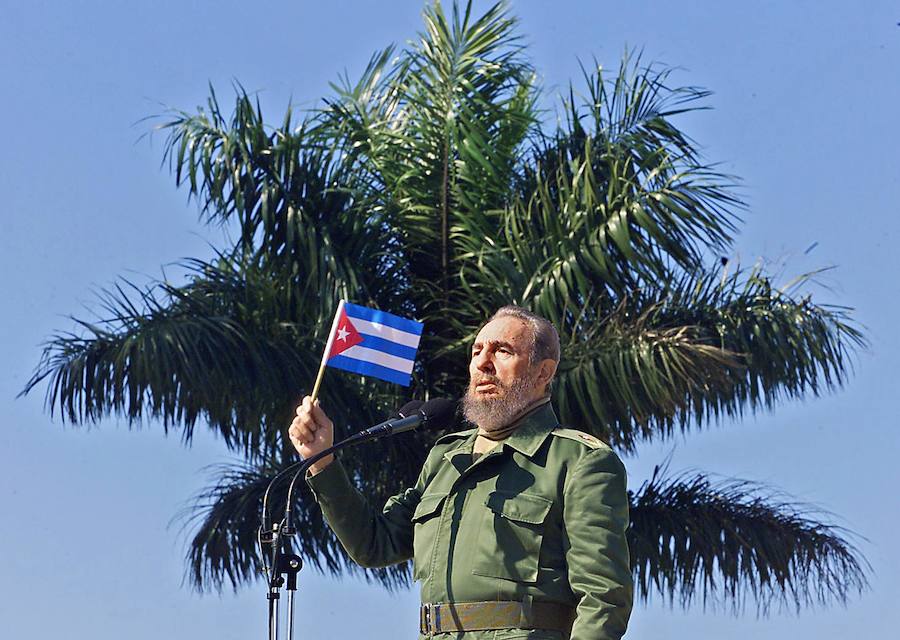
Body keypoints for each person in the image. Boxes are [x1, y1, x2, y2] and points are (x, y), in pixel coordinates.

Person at [289, 306, 633, 639]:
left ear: (543, 372)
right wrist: (322, 461)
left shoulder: (579, 461)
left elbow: (604, 598)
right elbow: (374, 544)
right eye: (477, 351)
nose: (483, 363)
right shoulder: (446, 457)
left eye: (503, 351)